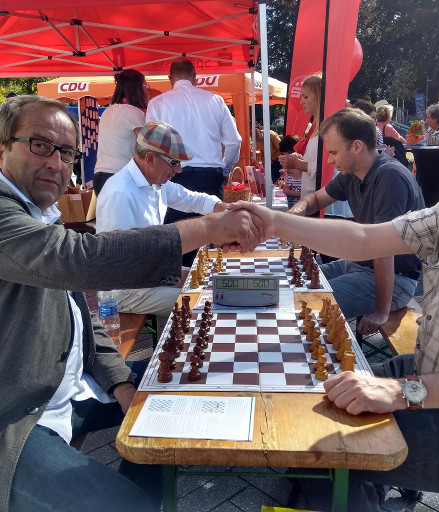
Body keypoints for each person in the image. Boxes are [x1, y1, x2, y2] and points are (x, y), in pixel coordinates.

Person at [235, 59, 439, 510]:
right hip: (431, 377)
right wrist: (273, 221)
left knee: (324, 448)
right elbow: (366, 238)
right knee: (312, 407)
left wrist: (405, 393)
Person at [0, 95, 263, 512]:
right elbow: (89, 263)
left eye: (67, 152)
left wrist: (120, 380)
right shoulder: (6, 215)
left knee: (184, 380)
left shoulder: (40, 212)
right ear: (3, 146)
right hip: (18, 415)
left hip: (73, 387)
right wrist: (212, 228)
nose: (55, 162)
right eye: (39, 145)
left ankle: (140, 478)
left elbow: (77, 322)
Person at [288, 107, 424, 334]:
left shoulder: (390, 177)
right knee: (294, 285)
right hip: (360, 264)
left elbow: (383, 250)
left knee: (304, 305)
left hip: (396, 280)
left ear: (357, 146)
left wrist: (382, 311)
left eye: (334, 152)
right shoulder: (351, 173)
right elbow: (314, 199)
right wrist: (297, 211)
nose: (330, 160)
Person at [96, 120, 228, 317]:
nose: (179, 170)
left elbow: (190, 198)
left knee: (213, 282)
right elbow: (122, 263)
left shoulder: (154, 181)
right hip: (124, 292)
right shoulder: (120, 194)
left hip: (148, 277)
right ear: (150, 158)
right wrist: (173, 275)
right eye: (174, 163)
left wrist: (225, 208)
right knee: (208, 303)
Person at [146, 57, 242, 266]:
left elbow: (150, 147)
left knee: (178, 239)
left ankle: (180, 291)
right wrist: (225, 170)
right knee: (212, 238)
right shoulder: (215, 100)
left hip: (173, 176)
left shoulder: (157, 103)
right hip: (209, 176)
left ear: (169, 78)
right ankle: (209, 289)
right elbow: (234, 142)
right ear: (195, 78)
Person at [93, 69, 148, 195]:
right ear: (137, 88)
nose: (146, 90)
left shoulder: (108, 111)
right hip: (120, 175)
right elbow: (147, 145)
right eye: (145, 85)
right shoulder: (133, 112)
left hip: (100, 176)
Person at [278, 73, 322, 198]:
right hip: (313, 198)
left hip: (324, 205)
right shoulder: (316, 127)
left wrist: (297, 164)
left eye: (306, 96)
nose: (301, 101)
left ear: (319, 96)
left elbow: (329, 169)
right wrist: (300, 159)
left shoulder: (328, 127)